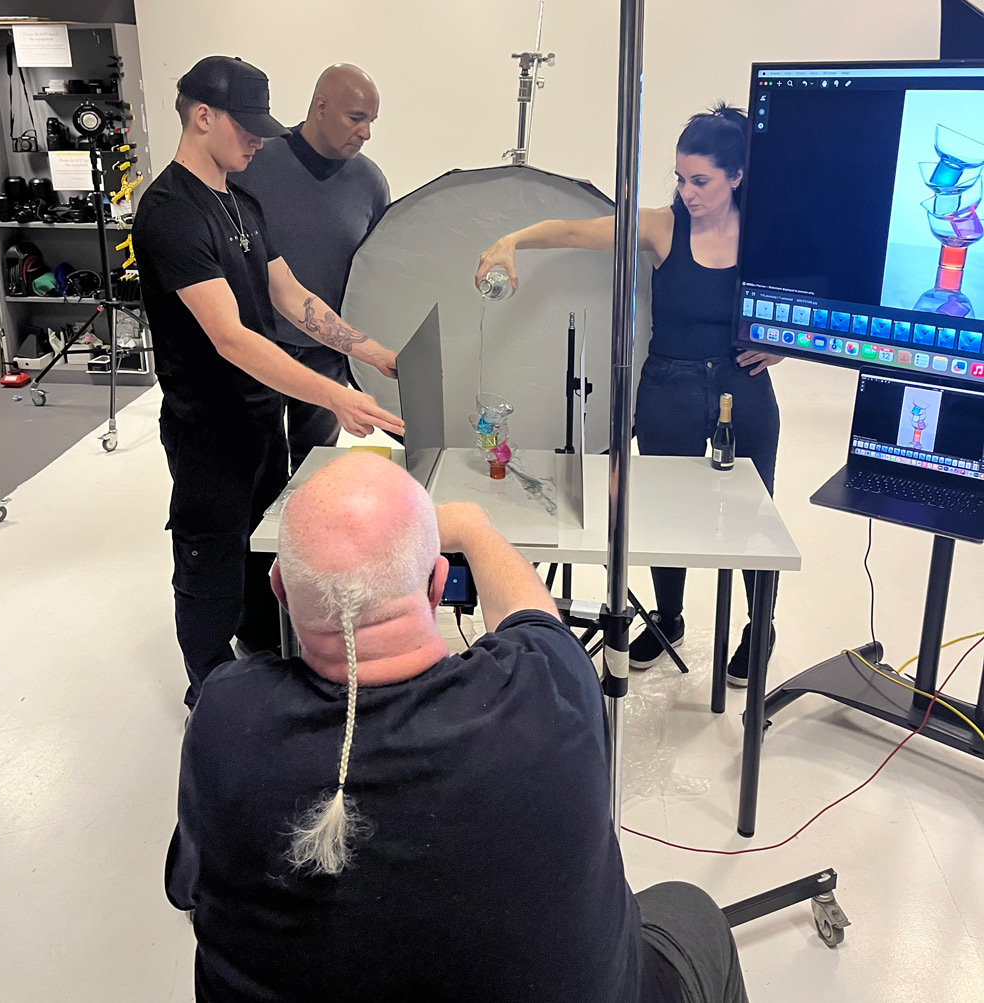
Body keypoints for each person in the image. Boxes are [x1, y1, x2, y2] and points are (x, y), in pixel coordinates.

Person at [165, 452, 749, 1003]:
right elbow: (533, 618)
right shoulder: (545, 692)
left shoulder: (225, 718)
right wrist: (473, 529)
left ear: (280, 591)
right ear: (438, 586)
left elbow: (188, 890)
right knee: (689, 911)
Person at [475, 103, 781, 686]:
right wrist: (512, 240)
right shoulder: (663, 227)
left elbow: (820, 297)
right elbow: (574, 231)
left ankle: (759, 625)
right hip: (669, 388)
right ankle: (670, 617)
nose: (687, 192)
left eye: (701, 181)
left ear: (737, 176)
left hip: (743, 388)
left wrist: (787, 345)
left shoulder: (767, 233)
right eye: (680, 178)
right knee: (665, 512)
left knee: (756, 515)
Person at [132, 56, 403, 709]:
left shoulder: (240, 202)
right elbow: (230, 336)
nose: (258, 139)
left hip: (257, 417)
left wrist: (372, 352)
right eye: (246, 125)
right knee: (212, 557)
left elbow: (292, 296)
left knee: (262, 538)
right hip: (208, 427)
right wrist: (335, 394)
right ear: (202, 116)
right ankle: (209, 695)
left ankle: (260, 653)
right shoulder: (172, 212)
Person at [239, 63, 390, 472]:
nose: (366, 132)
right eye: (356, 118)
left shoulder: (370, 182)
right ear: (320, 107)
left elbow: (375, 269)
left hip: (326, 353)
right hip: (257, 346)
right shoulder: (253, 162)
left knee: (315, 467)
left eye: (372, 121)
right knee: (256, 466)